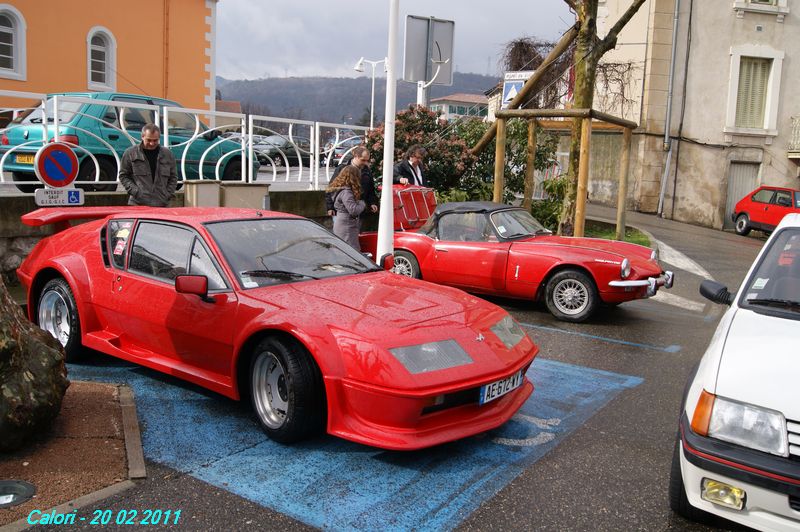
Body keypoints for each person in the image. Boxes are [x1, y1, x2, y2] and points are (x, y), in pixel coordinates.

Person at [119, 123, 178, 207]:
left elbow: (173, 177)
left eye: (155, 140)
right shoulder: (130, 153)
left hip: (162, 204)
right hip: (138, 203)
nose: (152, 143)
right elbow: (123, 175)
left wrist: (167, 193)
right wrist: (135, 191)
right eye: (149, 140)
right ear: (142, 137)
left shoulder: (167, 154)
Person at [326, 146, 378, 217]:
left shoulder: (367, 171)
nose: (365, 163)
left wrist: (373, 203)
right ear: (356, 156)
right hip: (342, 212)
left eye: (367, 160)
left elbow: (370, 189)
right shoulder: (342, 168)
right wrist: (330, 207)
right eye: (363, 160)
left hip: (359, 212)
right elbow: (332, 188)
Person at [327, 165, 366, 250]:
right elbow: (354, 210)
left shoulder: (339, 189)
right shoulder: (346, 192)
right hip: (347, 225)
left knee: (341, 249)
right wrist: (362, 203)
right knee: (350, 251)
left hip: (341, 222)